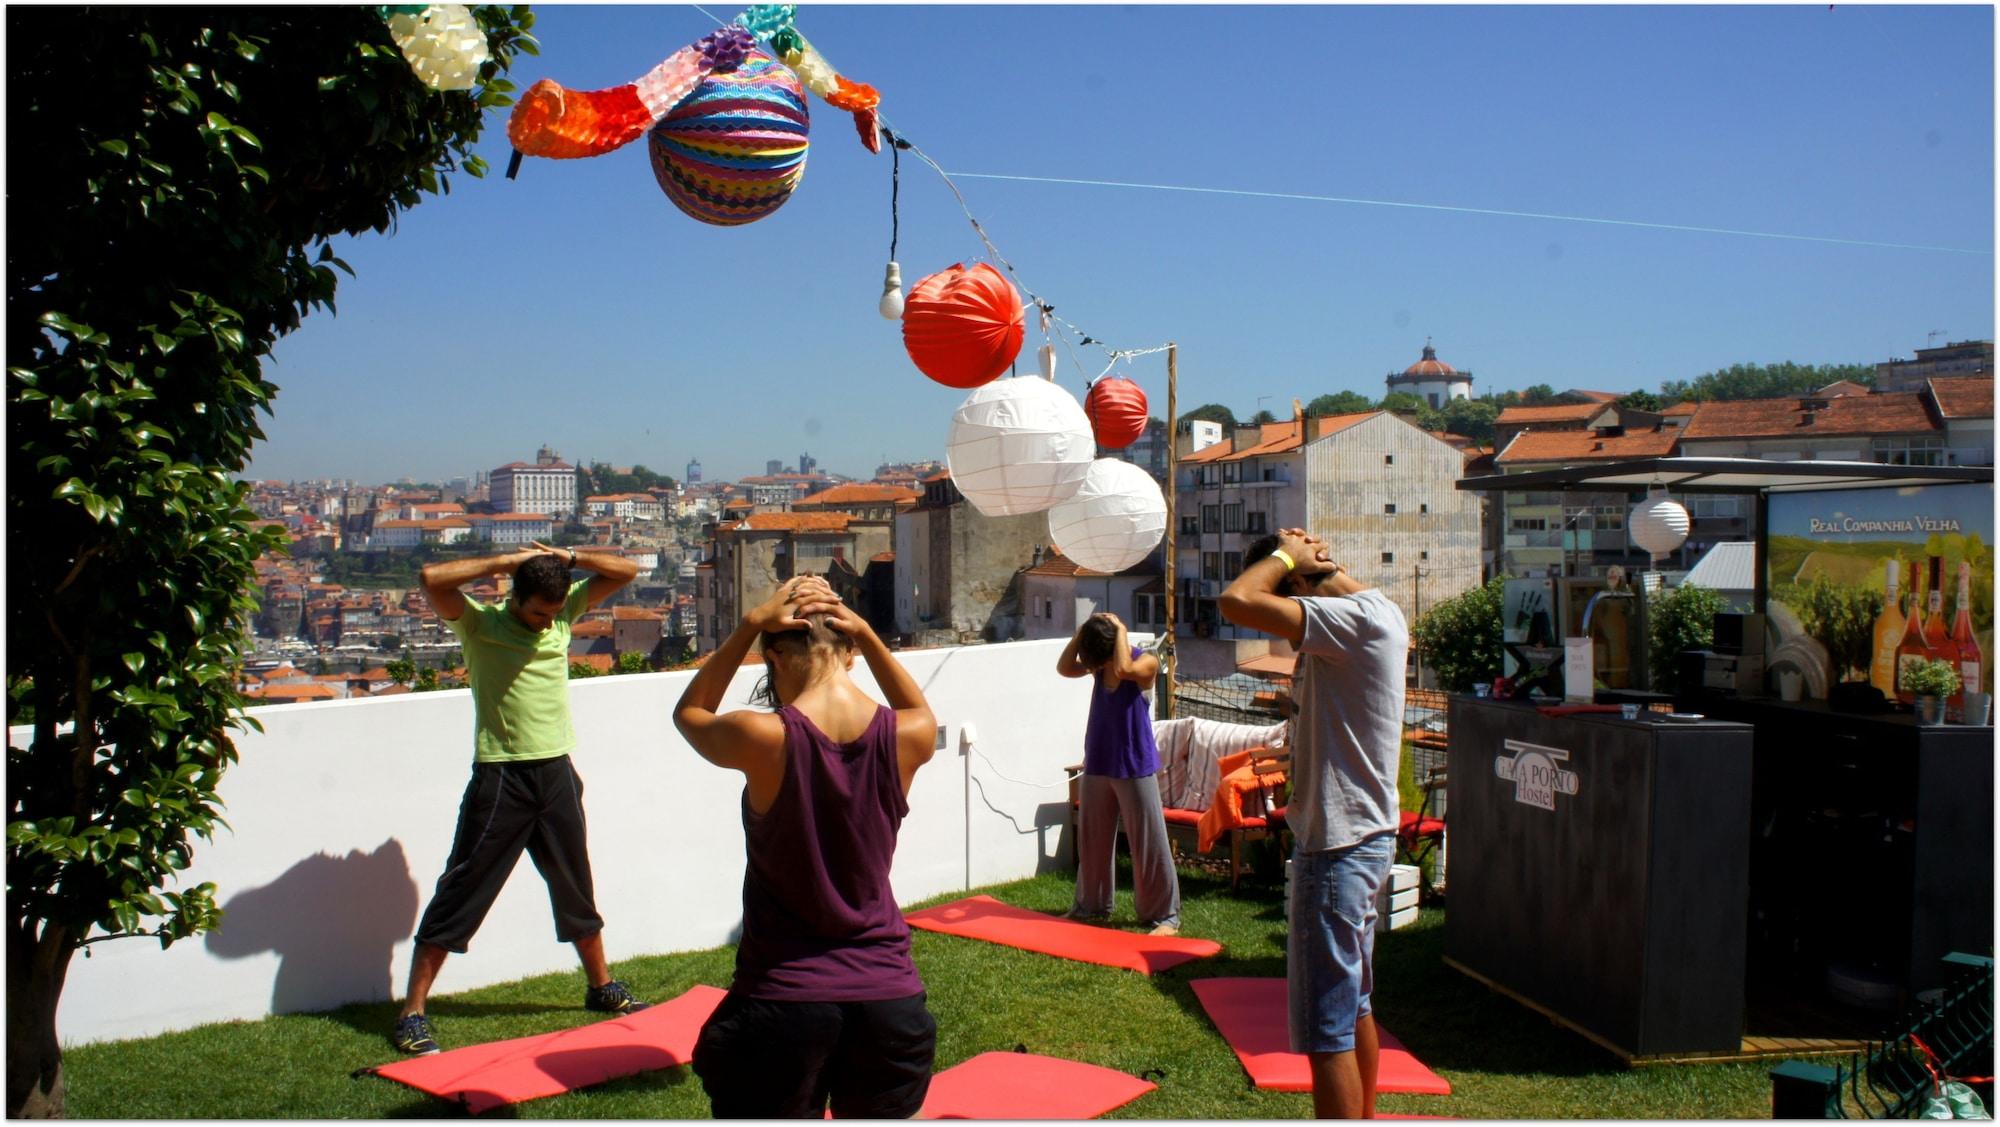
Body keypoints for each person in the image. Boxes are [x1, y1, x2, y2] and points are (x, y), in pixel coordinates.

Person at [674, 574, 940, 1119]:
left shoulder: (763, 735)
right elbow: (920, 710)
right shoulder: (908, 735)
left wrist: (748, 624)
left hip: (784, 999)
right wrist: (867, 634)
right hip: (889, 1000)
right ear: (849, 654)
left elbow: (690, 714)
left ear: (772, 654)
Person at [392, 541, 645, 1056]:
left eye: (553, 613)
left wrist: (568, 557)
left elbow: (628, 570)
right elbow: (431, 578)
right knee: (463, 888)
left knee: (575, 883)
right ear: (514, 598)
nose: (545, 623)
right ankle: (412, 1013)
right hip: (501, 777)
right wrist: (506, 562)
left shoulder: (562, 612)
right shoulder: (480, 624)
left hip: (557, 772)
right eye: (537, 612)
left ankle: (601, 987)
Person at [1219, 528, 1407, 1119]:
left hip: (1338, 846)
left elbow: (1235, 601)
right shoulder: (1376, 612)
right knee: (1353, 1007)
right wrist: (1298, 754)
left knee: (1326, 1028)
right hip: (1363, 836)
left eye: (1286, 584)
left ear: (1297, 584)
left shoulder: (1349, 619)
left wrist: (1281, 557)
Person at [1056, 612, 1181, 936]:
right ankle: (1091, 906)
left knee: (1147, 842)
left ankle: (1164, 916)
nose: (1091, 665)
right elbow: (1064, 667)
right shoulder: (1098, 667)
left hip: (1134, 763)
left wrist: (1122, 628)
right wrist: (1082, 630)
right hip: (1098, 759)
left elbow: (1125, 669)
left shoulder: (1146, 663)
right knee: (1093, 841)